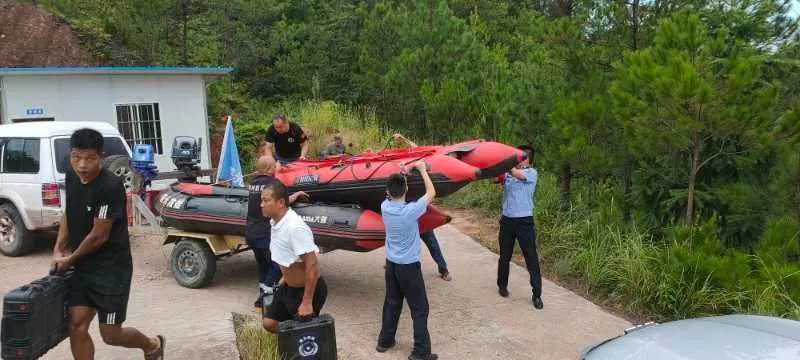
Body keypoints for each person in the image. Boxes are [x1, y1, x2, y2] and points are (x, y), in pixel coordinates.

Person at [52, 128, 164, 360]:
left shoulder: (110, 186)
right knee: (76, 326)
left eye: (90, 158)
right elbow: (69, 214)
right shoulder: (71, 176)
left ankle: (152, 345)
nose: (82, 165)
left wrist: (69, 260)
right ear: (70, 155)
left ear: (101, 156)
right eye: (76, 157)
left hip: (111, 271)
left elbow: (98, 236)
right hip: (83, 268)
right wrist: (58, 248)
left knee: (111, 335)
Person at [376, 161, 438, 360]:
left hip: (391, 265)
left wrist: (403, 171)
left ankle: (385, 341)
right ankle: (420, 352)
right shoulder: (409, 211)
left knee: (392, 302)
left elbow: (393, 192)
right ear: (407, 189)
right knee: (420, 309)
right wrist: (420, 169)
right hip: (409, 268)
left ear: (387, 191)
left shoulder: (384, 206)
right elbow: (431, 193)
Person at [261, 181, 327, 333]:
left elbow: (312, 265)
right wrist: (286, 275)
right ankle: (288, 337)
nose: (261, 205)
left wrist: (307, 302)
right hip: (288, 286)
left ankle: (293, 343)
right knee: (269, 323)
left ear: (280, 203)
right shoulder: (276, 221)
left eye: (266, 200)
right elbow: (288, 254)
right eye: (261, 200)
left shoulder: (294, 228)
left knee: (303, 336)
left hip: (306, 291)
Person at [246, 156, 307, 309]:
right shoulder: (273, 184)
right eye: (274, 167)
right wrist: (297, 193)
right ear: (268, 169)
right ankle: (266, 296)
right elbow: (284, 202)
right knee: (276, 266)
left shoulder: (252, 184)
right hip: (264, 233)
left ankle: (262, 297)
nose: (276, 169)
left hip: (251, 232)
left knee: (263, 266)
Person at [393, 133, 451, 281]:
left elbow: (417, 148)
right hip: (405, 212)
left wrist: (403, 138)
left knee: (431, 241)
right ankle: (392, 264)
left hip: (417, 210)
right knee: (396, 240)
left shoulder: (416, 160)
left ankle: (443, 269)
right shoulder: (396, 163)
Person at [496, 145, 543, 310]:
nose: (518, 161)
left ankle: (537, 294)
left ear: (529, 160)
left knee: (531, 259)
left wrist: (505, 164)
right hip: (507, 221)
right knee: (504, 256)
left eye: (521, 158)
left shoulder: (531, 173)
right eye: (516, 158)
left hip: (524, 222)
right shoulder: (508, 173)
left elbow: (516, 174)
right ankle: (502, 285)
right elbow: (494, 179)